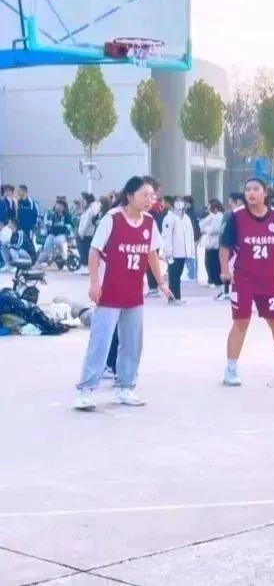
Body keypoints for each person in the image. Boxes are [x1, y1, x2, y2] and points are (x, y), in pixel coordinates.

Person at [73, 176, 173, 411]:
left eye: (152, 196)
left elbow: (151, 253)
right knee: (101, 341)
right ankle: (86, 390)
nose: (150, 200)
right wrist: (94, 282)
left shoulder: (149, 222)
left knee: (132, 343)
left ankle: (125, 387)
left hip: (134, 292)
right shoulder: (112, 219)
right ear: (130, 196)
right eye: (144, 195)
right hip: (109, 291)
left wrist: (160, 282)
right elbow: (94, 251)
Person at [219, 178, 274, 386]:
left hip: (268, 280)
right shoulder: (236, 217)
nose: (251, 193)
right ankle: (231, 368)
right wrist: (224, 269)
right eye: (247, 189)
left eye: (255, 189)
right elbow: (225, 245)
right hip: (243, 279)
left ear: (265, 193)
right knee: (241, 322)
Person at [160, 196, 195, 304]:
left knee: (178, 276)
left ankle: (177, 297)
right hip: (173, 253)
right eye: (177, 202)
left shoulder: (186, 218)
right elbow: (166, 236)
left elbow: (190, 235)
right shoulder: (169, 218)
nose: (180, 204)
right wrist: (168, 251)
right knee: (173, 276)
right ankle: (172, 298)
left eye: (181, 202)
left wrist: (191, 251)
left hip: (183, 252)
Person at [200, 199, 224, 288]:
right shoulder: (213, 217)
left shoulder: (219, 216)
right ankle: (212, 279)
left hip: (214, 244)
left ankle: (214, 280)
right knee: (210, 263)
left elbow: (213, 230)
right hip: (212, 243)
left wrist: (206, 229)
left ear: (215, 209)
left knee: (212, 263)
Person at [182, 195, 202, 282]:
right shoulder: (194, 212)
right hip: (195, 236)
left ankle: (192, 274)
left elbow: (192, 226)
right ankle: (192, 273)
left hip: (191, 237)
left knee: (190, 255)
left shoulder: (188, 213)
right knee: (192, 254)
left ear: (188, 203)